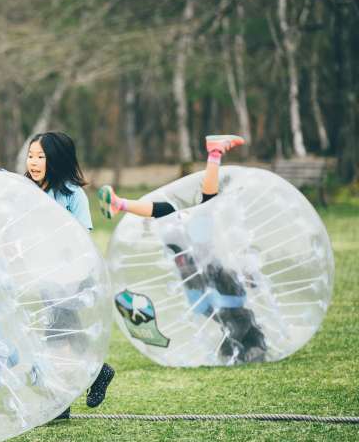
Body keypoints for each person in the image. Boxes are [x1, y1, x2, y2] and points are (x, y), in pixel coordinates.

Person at [97, 134, 268, 364]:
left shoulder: (177, 235)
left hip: (192, 264)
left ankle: (121, 203)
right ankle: (215, 153)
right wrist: (249, 275)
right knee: (205, 205)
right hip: (200, 260)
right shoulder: (231, 301)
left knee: (178, 211)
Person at [24, 131, 116, 420]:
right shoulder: (25, 192)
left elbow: (82, 239)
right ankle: (98, 372)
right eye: (31, 156)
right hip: (43, 277)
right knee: (69, 335)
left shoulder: (72, 195)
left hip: (69, 278)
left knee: (56, 337)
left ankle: (58, 403)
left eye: (41, 157)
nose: (34, 162)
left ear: (58, 160)